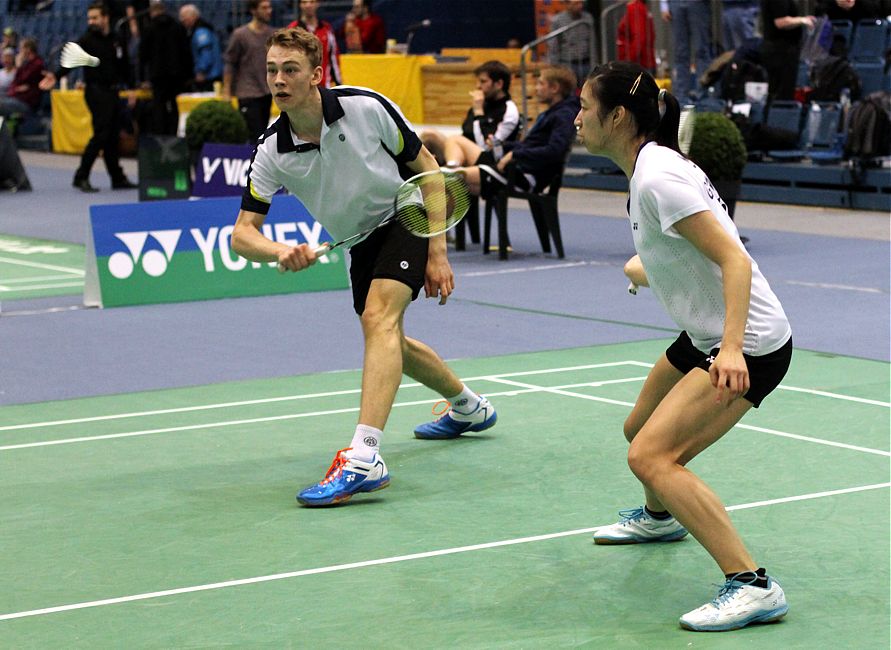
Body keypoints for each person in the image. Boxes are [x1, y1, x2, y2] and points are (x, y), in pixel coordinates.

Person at [230, 28, 498, 507]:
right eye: (271, 70)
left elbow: (429, 169)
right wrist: (278, 251)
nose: (278, 80)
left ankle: (365, 455)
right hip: (357, 240)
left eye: (289, 70)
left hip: (405, 213)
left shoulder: (364, 106)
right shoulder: (272, 149)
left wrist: (437, 252)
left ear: (316, 75)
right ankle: (469, 408)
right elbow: (241, 234)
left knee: (379, 319)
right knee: (390, 339)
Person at [574, 60, 793, 632]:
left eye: (583, 108)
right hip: (704, 334)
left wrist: (731, 350)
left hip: (746, 342)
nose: (575, 119)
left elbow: (733, 259)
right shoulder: (650, 165)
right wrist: (646, 267)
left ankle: (752, 584)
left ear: (617, 116)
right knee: (638, 429)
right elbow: (687, 250)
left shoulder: (657, 177)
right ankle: (660, 517)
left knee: (650, 456)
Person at [39, 1, 137, 192]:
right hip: (96, 91)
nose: (91, 21)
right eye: (89, 18)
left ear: (105, 18)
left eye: (95, 17)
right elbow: (71, 60)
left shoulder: (117, 39)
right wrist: (56, 76)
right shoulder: (87, 40)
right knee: (101, 134)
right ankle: (81, 175)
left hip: (114, 91)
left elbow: (125, 67)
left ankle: (117, 177)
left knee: (112, 136)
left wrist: (131, 88)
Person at [457, 65, 579, 199]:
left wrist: (515, 154)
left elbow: (555, 150)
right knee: (451, 183)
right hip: (519, 169)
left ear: (554, 88)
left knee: (449, 179)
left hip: (526, 175)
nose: (536, 88)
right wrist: (503, 146)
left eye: (540, 84)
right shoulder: (551, 113)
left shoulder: (564, 115)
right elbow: (530, 145)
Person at [420, 60, 520, 169]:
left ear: (499, 84)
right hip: (465, 151)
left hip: (490, 159)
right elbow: (466, 131)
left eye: (483, 82)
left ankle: (451, 175)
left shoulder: (509, 110)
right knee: (429, 135)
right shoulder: (483, 102)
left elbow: (486, 146)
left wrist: (478, 113)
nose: (478, 86)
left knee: (455, 139)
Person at [223, 0, 275, 141]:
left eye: (269, 7)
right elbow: (230, 63)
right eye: (264, 8)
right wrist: (226, 92)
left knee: (263, 134)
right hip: (247, 93)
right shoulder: (240, 35)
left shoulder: (272, 34)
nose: (269, 10)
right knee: (254, 136)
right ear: (253, 10)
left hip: (266, 92)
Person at [139, 0, 192, 135]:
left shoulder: (149, 28)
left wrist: (142, 78)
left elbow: (142, 56)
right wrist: (188, 75)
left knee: (159, 108)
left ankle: (160, 138)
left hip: (157, 75)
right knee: (174, 107)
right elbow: (186, 52)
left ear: (152, 12)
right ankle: (173, 135)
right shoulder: (178, 26)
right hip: (176, 75)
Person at [760, 0, 815, 102]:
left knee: (777, 92)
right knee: (781, 94)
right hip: (781, 51)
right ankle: (778, 116)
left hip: (778, 50)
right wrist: (802, 20)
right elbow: (780, 22)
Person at [659, 0, 713, 100]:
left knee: (701, 50)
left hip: (698, 3)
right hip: (675, 3)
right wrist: (664, 5)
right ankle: (681, 96)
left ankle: (703, 94)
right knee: (680, 52)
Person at [287, 0, 342, 89]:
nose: (308, 5)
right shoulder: (292, 30)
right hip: (300, 86)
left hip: (324, 86)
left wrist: (339, 84)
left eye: (312, 2)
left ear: (317, 4)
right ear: (300, 5)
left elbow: (333, 58)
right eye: (304, 2)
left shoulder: (327, 29)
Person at [548, 0, 595, 88]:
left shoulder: (588, 18)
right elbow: (553, 46)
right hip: (567, 64)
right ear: (567, 4)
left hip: (586, 63)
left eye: (581, 3)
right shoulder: (557, 21)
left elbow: (592, 43)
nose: (580, 6)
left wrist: (594, 63)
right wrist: (555, 67)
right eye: (576, 3)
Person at [179, 3, 222, 92]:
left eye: (184, 17)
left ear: (193, 16)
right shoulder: (203, 28)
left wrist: (201, 71)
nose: (182, 20)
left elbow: (206, 53)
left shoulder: (201, 32)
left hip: (209, 76)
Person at [0, 38, 44, 118]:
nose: (20, 51)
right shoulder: (28, 63)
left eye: (21, 48)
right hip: (16, 98)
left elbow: (20, 80)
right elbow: (16, 84)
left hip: (26, 103)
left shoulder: (37, 64)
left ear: (28, 49)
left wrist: (18, 66)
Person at [617, 0, 656, 73]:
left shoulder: (635, 8)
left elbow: (639, 39)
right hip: (640, 65)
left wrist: (628, 62)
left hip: (638, 66)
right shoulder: (638, 7)